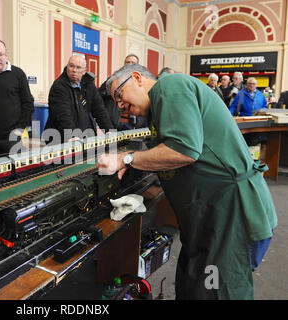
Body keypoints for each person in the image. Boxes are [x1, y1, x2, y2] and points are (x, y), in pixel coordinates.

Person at [97, 63, 277, 300]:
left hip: (230, 214)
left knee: (218, 289)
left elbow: (183, 149)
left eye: (119, 95)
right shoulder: (158, 108)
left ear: (137, 77)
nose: (120, 105)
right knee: (195, 287)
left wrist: (127, 158)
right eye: (115, 102)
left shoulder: (170, 86)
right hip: (209, 219)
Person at [45, 55, 113, 141]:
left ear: (84, 71)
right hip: (61, 139)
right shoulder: (59, 87)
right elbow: (63, 115)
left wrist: (108, 130)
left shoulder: (89, 85)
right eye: (71, 66)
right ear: (67, 67)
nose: (74, 70)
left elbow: (99, 109)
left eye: (78, 67)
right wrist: (71, 135)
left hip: (86, 136)